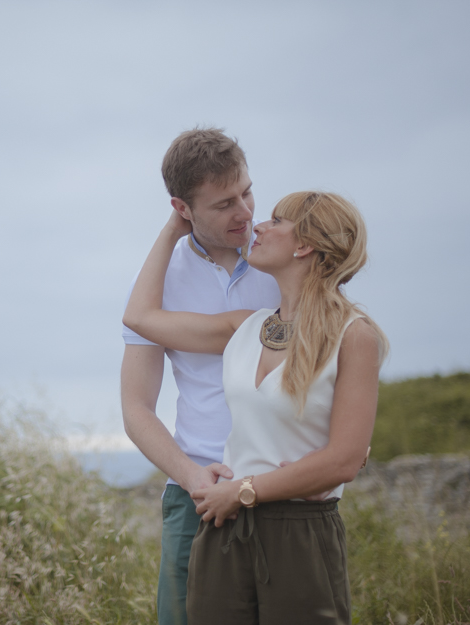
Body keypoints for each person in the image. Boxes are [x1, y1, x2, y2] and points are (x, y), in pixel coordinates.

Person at [123, 191, 389, 624]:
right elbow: (138, 318)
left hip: (298, 527)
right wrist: (178, 224)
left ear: (303, 246)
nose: (258, 225)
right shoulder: (245, 327)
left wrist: (243, 490)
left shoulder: (354, 336)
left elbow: (344, 459)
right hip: (224, 527)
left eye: (277, 221)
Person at [120, 127, 280, 625]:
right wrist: (192, 479)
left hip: (282, 486)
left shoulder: (283, 259)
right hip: (196, 496)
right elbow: (136, 409)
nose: (246, 212)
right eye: (224, 204)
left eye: (248, 192)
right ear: (182, 208)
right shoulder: (157, 282)